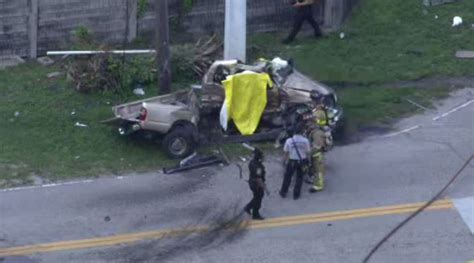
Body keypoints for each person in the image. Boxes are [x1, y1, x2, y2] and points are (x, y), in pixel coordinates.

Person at [279, 123, 311, 200]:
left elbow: (286, 153)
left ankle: (283, 192)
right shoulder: (305, 141)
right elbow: (308, 152)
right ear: (302, 131)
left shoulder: (289, 141)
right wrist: (308, 161)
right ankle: (296, 194)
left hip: (292, 161)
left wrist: (283, 162)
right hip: (302, 160)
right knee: (299, 178)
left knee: (287, 177)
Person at [244, 148, 266, 220]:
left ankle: (248, 207)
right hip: (256, 184)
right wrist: (263, 186)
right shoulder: (258, 166)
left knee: (257, 197)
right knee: (258, 199)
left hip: (253, 182)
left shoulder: (252, 162)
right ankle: (255, 214)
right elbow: (258, 177)